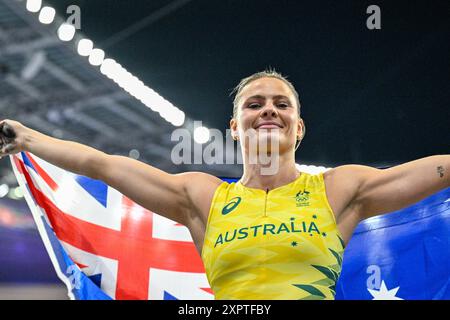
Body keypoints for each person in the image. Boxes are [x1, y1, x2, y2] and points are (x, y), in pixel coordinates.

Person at [0, 70, 448, 299]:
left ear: (299, 129)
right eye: (255, 104)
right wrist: (28, 139)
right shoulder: (204, 196)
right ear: (235, 128)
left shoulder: (338, 189)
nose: (269, 110)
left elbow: (432, 173)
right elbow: (105, 166)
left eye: (282, 104)